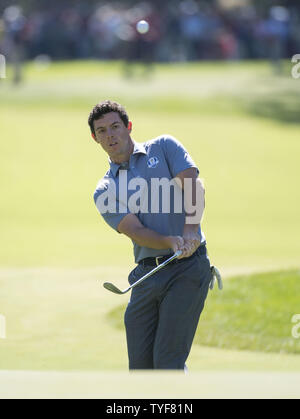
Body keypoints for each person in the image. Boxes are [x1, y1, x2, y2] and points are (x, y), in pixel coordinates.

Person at [88, 100, 213, 370]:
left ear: (128, 127)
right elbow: (136, 231)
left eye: (115, 127)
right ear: (94, 138)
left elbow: (193, 185)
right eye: (101, 131)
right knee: (142, 369)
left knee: (168, 363)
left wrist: (190, 229)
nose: (110, 135)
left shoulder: (165, 147)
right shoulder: (104, 190)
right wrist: (169, 241)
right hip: (146, 275)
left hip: (188, 269)